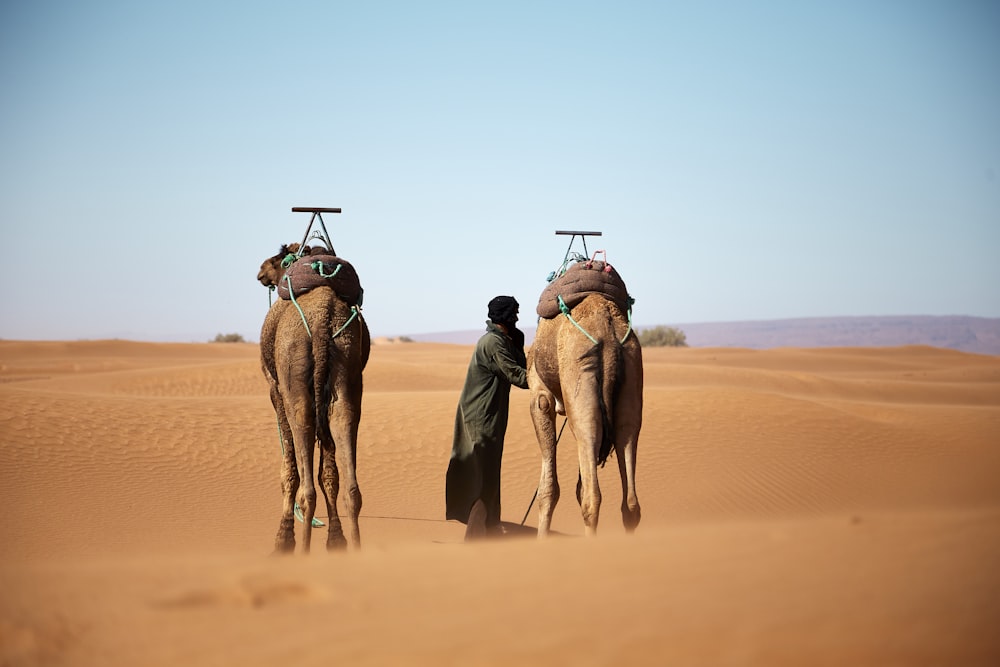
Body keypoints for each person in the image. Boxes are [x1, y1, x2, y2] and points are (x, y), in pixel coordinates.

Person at [445, 295, 529, 540]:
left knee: (490, 472)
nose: (516, 317)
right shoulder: (492, 342)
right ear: (504, 316)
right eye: (513, 313)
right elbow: (517, 375)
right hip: (480, 416)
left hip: (492, 414)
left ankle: (490, 529)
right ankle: (476, 537)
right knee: (482, 475)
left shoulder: (505, 339)